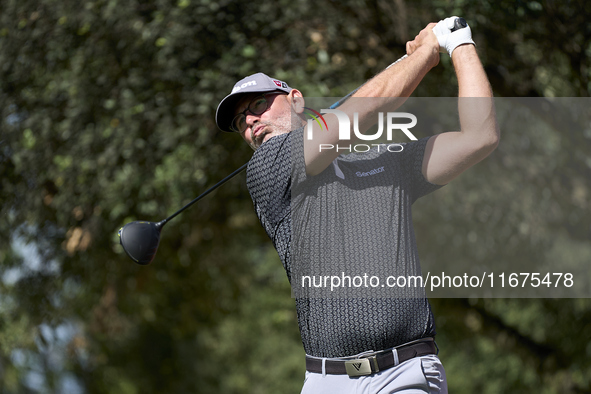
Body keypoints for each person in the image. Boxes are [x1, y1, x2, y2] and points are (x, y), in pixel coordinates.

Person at [215, 17, 499, 394]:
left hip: (406, 374)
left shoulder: (387, 160)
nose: (251, 121)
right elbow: (353, 118)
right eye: (241, 121)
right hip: (325, 381)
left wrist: (459, 43)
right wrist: (426, 54)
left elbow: (480, 137)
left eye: (259, 105)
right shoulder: (267, 168)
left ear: (296, 99)